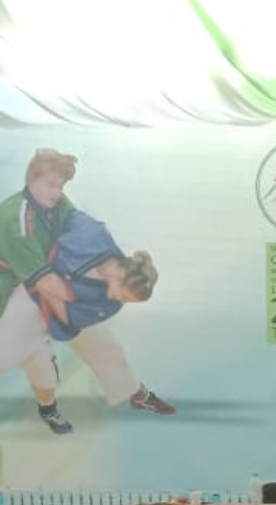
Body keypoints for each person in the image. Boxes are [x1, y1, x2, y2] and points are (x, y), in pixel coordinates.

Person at [0, 149, 174, 435]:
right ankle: (47, 398)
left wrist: (71, 303)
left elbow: (71, 312)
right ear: (31, 179)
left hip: (56, 287)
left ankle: (135, 392)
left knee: (104, 345)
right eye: (50, 185)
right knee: (10, 354)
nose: (57, 192)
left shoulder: (68, 213)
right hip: (23, 286)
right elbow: (46, 282)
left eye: (60, 186)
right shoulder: (14, 216)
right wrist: (66, 300)